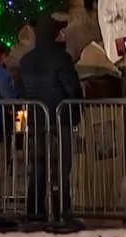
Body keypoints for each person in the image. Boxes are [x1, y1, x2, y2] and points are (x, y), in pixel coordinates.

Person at [18, 15, 82, 223]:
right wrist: (76, 113)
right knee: (60, 169)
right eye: (60, 31)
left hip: (36, 121)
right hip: (59, 119)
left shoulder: (26, 61)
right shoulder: (61, 59)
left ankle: (35, 212)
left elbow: (22, 91)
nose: (63, 34)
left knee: (38, 168)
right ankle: (61, 211)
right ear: (53, 35)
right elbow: (72, 88)